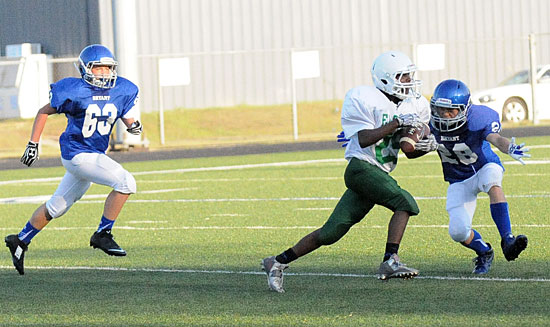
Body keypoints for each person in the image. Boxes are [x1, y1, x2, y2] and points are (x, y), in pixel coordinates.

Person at [261, 50, 430, 293]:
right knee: (405, 203)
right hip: (361, 168)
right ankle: (390, 261)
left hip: (379, 173)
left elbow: (409, 151)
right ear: (385, 78)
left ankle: (277, 262)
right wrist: (397, 122)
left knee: (331, 232)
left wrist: (427, 145)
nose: (409, 82)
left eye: (409, 77)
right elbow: (363, 139)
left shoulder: (414, 104)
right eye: (403, 77)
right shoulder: (364, 97)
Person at [5, 44, 143, 275]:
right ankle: (103, 233)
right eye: (99, 68)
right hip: (78, 153)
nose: (105, 73)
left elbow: (124, 115)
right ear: (85, 69)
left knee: (57, 207)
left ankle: (20, 240)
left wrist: (133, 126)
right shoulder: (73, 89)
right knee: (126, 183)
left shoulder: (122, 89)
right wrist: (33, 144)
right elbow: (43, 111)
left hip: (93, 156)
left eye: (108, 68)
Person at [415, 79, 529, 274]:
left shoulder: (479, 117)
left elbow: (495, 139)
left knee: (493, 183)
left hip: (484, 166)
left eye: (451, 111)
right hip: (458, 179)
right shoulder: (428, 123)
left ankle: (508, 239)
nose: (445, 115)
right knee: (458, 231)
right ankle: (484, 251)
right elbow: (405, 142)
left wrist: (508, 146)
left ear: (466, 109)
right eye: (441, 109)